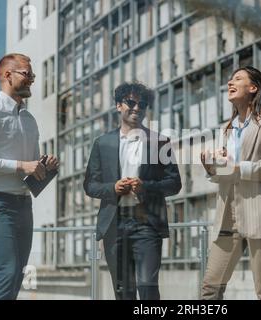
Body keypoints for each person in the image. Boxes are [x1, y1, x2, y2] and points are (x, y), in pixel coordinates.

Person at [0, 53, 59, 300]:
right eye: (27, 74)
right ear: (8, 75)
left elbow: (32, 166)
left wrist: (44, 165)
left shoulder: (29, 120)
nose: (31, 80)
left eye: (32, 75)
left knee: (18, 273)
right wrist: (21, 165)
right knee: (7, 272)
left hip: (23, 205)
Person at [83, 81, 182, 300]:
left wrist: (145, 187)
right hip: (114, 225)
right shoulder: (102, 143)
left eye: (143, 104)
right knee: (123, 291)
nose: (137, 108)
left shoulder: (160, 142)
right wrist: (113, 188)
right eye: (131, 102)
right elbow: (90, 184)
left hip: (146, 223)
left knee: (147, 287)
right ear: (118, 105)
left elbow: (174, 183)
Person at [200, 66, 261, 300]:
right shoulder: (226, 130)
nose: (230, 82)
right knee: (210, 288)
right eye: (229, 79)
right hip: (228, 214)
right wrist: (210, 166)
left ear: (253, 88)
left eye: (237, 79)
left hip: (260, 213)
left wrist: (237, 167)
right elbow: (223, 174)